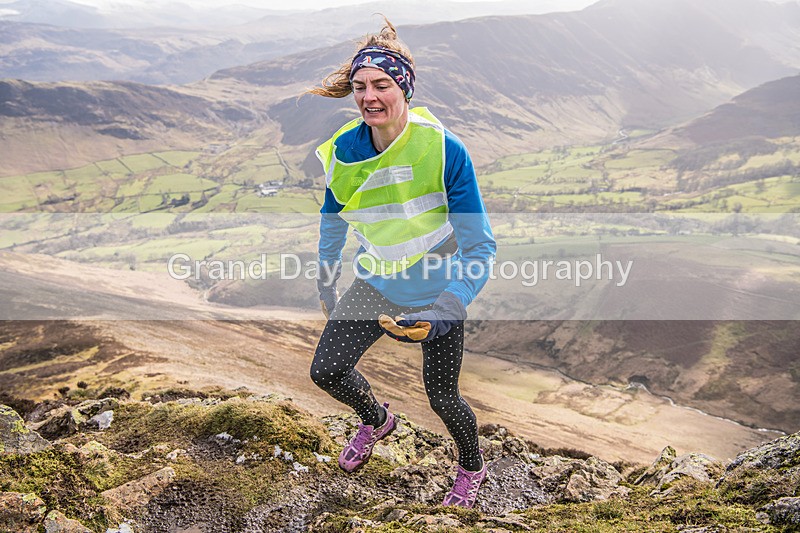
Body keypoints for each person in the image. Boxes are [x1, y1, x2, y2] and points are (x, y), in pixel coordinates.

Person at [306, 18, 496, 509]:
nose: (369, 96)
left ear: (404, 88)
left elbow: (480, 248)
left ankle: (472, 467)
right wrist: (327, 284)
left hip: (437, 294)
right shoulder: (344, 152)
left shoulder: (445, 149)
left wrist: (445, 310)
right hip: (376, 285)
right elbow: (333, 221)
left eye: (382, 85)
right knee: (326, 370)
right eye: (360, 86)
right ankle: (376, 419)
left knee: (443, 399)